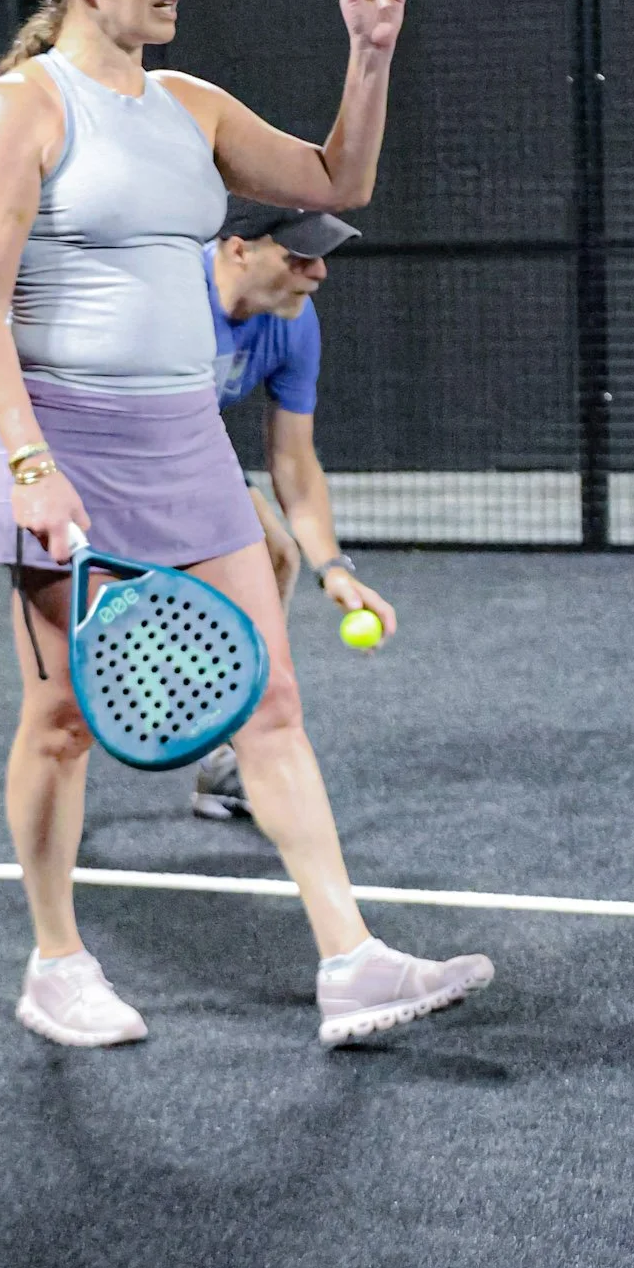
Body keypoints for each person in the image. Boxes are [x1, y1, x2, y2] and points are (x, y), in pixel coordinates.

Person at [0, 0, 493, 1049]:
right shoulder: (20, 109)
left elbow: (340, 179)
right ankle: (55, 961)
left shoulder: (189, 105)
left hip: (187, 442)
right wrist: (30, 464)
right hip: (69, 442)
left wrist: (370, 46)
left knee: (275, 700)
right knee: (61, 724)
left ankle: (349, 961)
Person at [191, 200, 397, 824]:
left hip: (191, 446)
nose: (318, 273)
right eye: (298, 256)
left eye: (320, 258)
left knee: (274, 552)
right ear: (238, 249)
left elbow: (293, 463)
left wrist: (333, 568)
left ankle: (224, 756)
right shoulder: (171, 301)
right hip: (101, 449)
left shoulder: (293, 322)